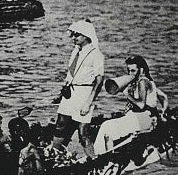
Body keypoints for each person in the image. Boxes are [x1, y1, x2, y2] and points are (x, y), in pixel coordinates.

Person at [94, 55, 169, 155]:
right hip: (146, 118)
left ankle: (107, 159)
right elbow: (163, 97)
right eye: (129, 70)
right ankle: (106, 155)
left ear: (141, 70)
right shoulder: (148, 81)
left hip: (142, 118)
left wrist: (126, 94)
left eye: (133, 70)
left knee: (107, 129)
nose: (130, 73)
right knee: (107, 126)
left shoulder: (142, 82)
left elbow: (141, 105)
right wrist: (163, 111)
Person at [52, 18, 105, 155]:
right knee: (60, 125)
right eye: (73, 35)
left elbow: (99, 81)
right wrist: (61, 94)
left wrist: (88, 102)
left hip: (84, 94)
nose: (73, 38)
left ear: (86, 36)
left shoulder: (96, 55)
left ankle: (92, 160)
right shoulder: (75, 51)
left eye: (77, 35)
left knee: (83, 132)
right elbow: (71, 74)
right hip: (71, 92)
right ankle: (55, 155)